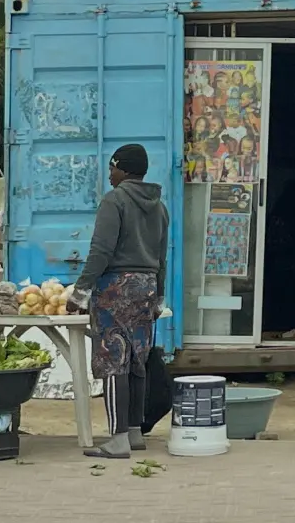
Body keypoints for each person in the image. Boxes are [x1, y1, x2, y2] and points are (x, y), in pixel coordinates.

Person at [69, 144, 169, 459]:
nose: (110, 174)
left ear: (123, 169)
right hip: (147, 287)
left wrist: (80, 292)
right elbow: (162, 256)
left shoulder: (114, 201)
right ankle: (136, 432)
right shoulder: (159, 207)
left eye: (112, 168)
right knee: (137, 360)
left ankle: (117, 438)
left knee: (114, 361)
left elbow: (101, 250)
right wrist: (159, 295)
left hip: (115, 288)